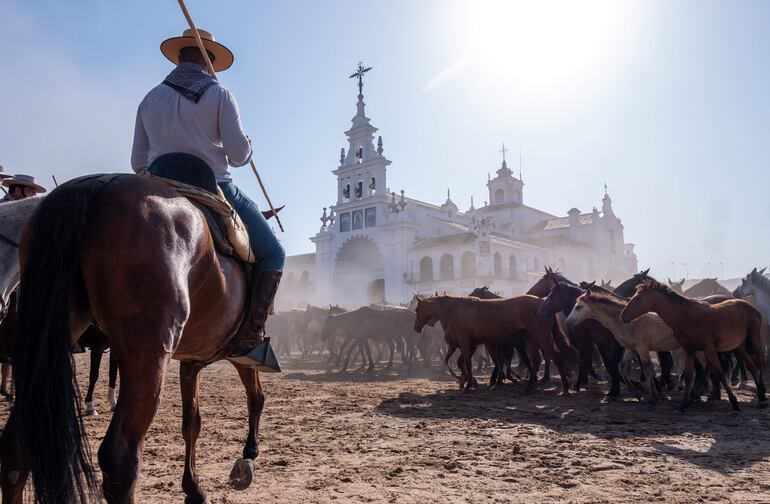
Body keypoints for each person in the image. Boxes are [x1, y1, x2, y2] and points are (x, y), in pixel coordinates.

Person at [131, 28, 284, 367]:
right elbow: (238, 155)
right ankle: (249, 338)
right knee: (274, 253)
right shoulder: (219, 94)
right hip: (212, 186)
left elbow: (137, 163)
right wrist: (249, 143)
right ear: (208, 60)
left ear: (180, 58)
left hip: (159, 187)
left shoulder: (149, 98)